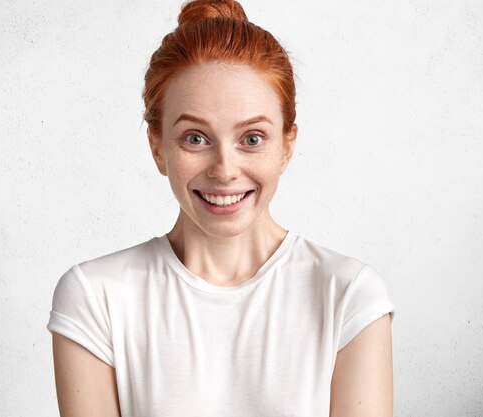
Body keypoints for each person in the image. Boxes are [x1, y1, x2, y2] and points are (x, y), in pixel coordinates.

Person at [46, 0, 395, 416]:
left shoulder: (348, 295)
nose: (225, 171)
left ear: (287, 146)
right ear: (157, 148)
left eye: (252, 139)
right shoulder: (95, 297)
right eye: (195, 138)